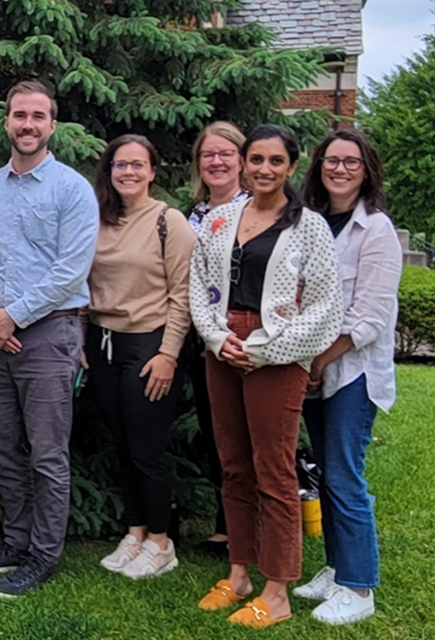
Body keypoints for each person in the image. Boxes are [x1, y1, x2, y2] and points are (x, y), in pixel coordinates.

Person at [191, 124, 342, 628]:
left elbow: (324, 306)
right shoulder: (220, 219)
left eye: (276, 161)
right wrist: (217, 338)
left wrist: (263, 349)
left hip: (275, 353)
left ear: (291, 167)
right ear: (244, 163)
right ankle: (239, 574)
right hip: (223, 347)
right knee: (234, 464)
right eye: (256, 159)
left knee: (273, 469)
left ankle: (277, 590)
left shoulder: (309, 227)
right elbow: (198, 286)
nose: (264, 169)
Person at [0, 80, 99, 598]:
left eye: (38, 116)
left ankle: (43, 555)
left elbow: (70, 271)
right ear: (6, 122)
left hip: (48, 334)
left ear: (52, 126)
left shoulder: (72, 189)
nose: (28, 124)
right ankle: (16, 541)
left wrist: (13, 317)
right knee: (2, 447)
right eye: (19, 115)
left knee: (46, 454)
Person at [293, 129, 401, 625]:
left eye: (350, 162)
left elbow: (370, 317)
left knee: (343, 476)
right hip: (312, 367)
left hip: (352, 372)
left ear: (366, 170)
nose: (340, 169)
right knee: (327, 472)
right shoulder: (311, 224)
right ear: (319, 167)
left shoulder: (375, 229)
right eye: (331, 161)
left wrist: (319, 361)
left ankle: (359, 587)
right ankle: (337, 569)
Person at [87, 134, 194, 579]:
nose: (128, 172)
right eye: (120, 164)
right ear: (109, 170)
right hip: (102, 343)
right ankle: (135, 533)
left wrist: (169, 353)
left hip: (149, 345)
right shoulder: (97, 219)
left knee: (147, 448)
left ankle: (161, 541)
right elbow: (82, 284)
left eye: (137, 165)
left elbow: (183, 294)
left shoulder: (169, 222)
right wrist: (80, 340)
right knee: (122, 444)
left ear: (152, 171)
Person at [185, 122, 251, 559]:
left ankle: (251, 529)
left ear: (242, 161)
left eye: (226, 153)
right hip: (202, 339)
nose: (217, 161)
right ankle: (228, 528)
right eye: (208, 154)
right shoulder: (194, 215)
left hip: (245, 339)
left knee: (249, 436)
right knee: (218, 434)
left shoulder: (256, 211)